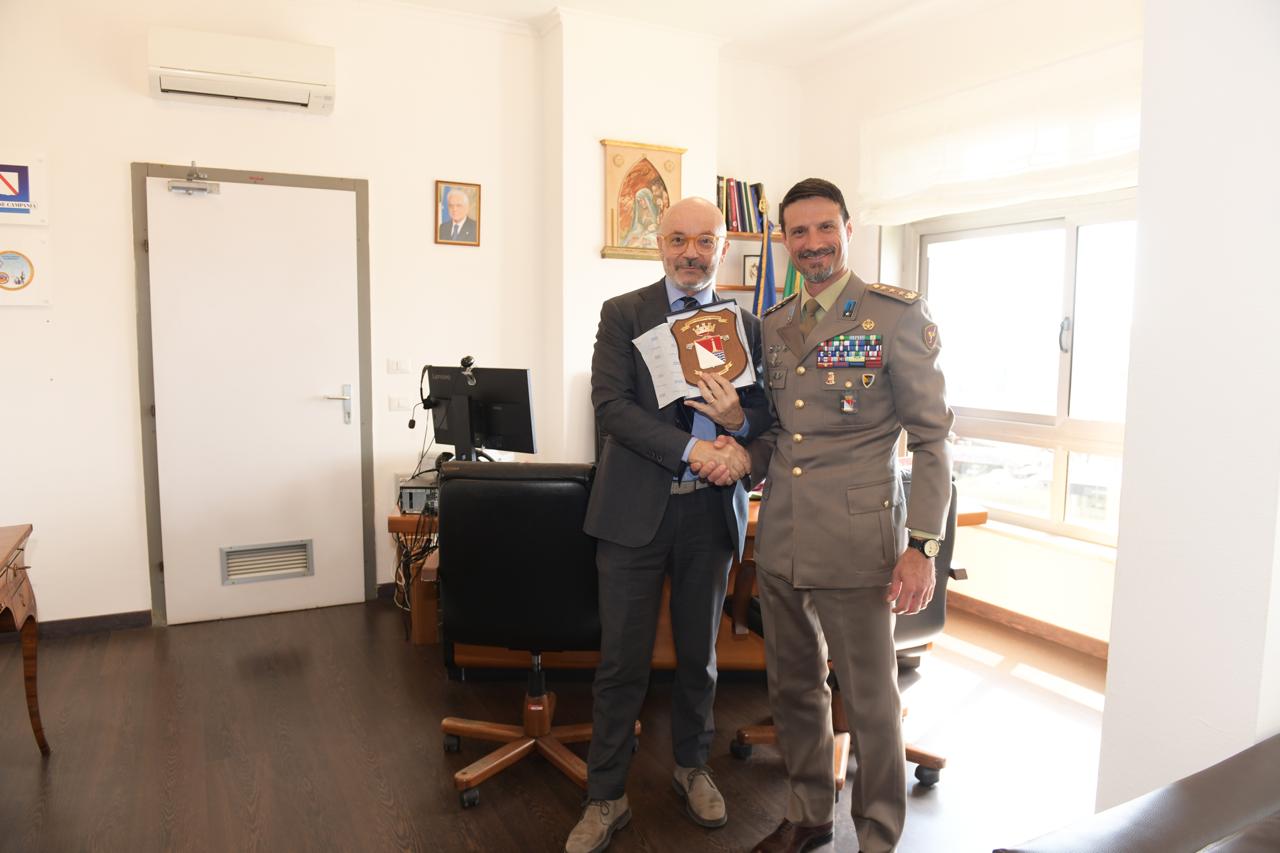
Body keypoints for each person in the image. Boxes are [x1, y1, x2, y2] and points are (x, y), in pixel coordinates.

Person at [744, 178, 953, 853]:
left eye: (824, 228)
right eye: (799, 232)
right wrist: (734, 445)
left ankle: (878, 836)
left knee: (869, 700)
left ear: (847, 230)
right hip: (783, 535)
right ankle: (808, 814)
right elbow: (783, 431)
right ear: (785, 240)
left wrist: (922, 545)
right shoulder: (774, 322)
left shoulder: (894, 315)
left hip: (860, 540)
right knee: (793, 687)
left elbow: (932, 440)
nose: (813, 243)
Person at [567, 196, 771, 853]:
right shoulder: (623, 314)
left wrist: (737, 429)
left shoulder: (749, 326)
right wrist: (692, 450)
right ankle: (605, 794)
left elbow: (767, 419)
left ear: (722, 248)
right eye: (678, 239)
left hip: (710, 512)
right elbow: (611, 408)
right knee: (621, 662)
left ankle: (692, 766)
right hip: (634, 512)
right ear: (658, 244)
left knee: (699, 658)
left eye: (705, 241)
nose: (691, 252)